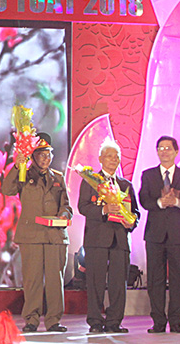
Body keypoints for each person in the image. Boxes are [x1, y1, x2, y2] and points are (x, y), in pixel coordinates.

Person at [0, 132, 72, 333]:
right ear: (32, 156)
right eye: (41, 154)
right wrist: (16, 166)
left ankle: (54, 320)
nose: (46, 158)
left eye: (48, 154)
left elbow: (66, 205)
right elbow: (6, 190)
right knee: (32, 280)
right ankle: (31, 319)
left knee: (54, 281)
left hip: (55, 236)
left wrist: (64, 214)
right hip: (31, 235)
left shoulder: (58, 177)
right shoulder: (24, 174)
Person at [77, 138, 140, 334]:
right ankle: (95, 321)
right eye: (109, 156)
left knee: (118, 283)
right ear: (100, 159)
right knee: (95, 282)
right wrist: (103, 209)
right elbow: (83, 207)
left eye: (116, 157)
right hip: (97, 239)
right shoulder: (91, 180)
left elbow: (136, 212)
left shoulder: (126, 184)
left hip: (120, 240)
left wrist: (132, 222)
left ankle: (114, 321)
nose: (113, 160)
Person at [139, 135, 180, 334]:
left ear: (176, 151)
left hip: (178, 235)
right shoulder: (148, 175)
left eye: (168, 148)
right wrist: (159, 203)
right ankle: (157, 321)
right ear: (157, 152)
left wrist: (178, 203)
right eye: (160, 148)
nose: (164, 151)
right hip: (154, 235)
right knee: (155, 279)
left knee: (176, 280)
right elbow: (143, 200)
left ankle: (176, 321)